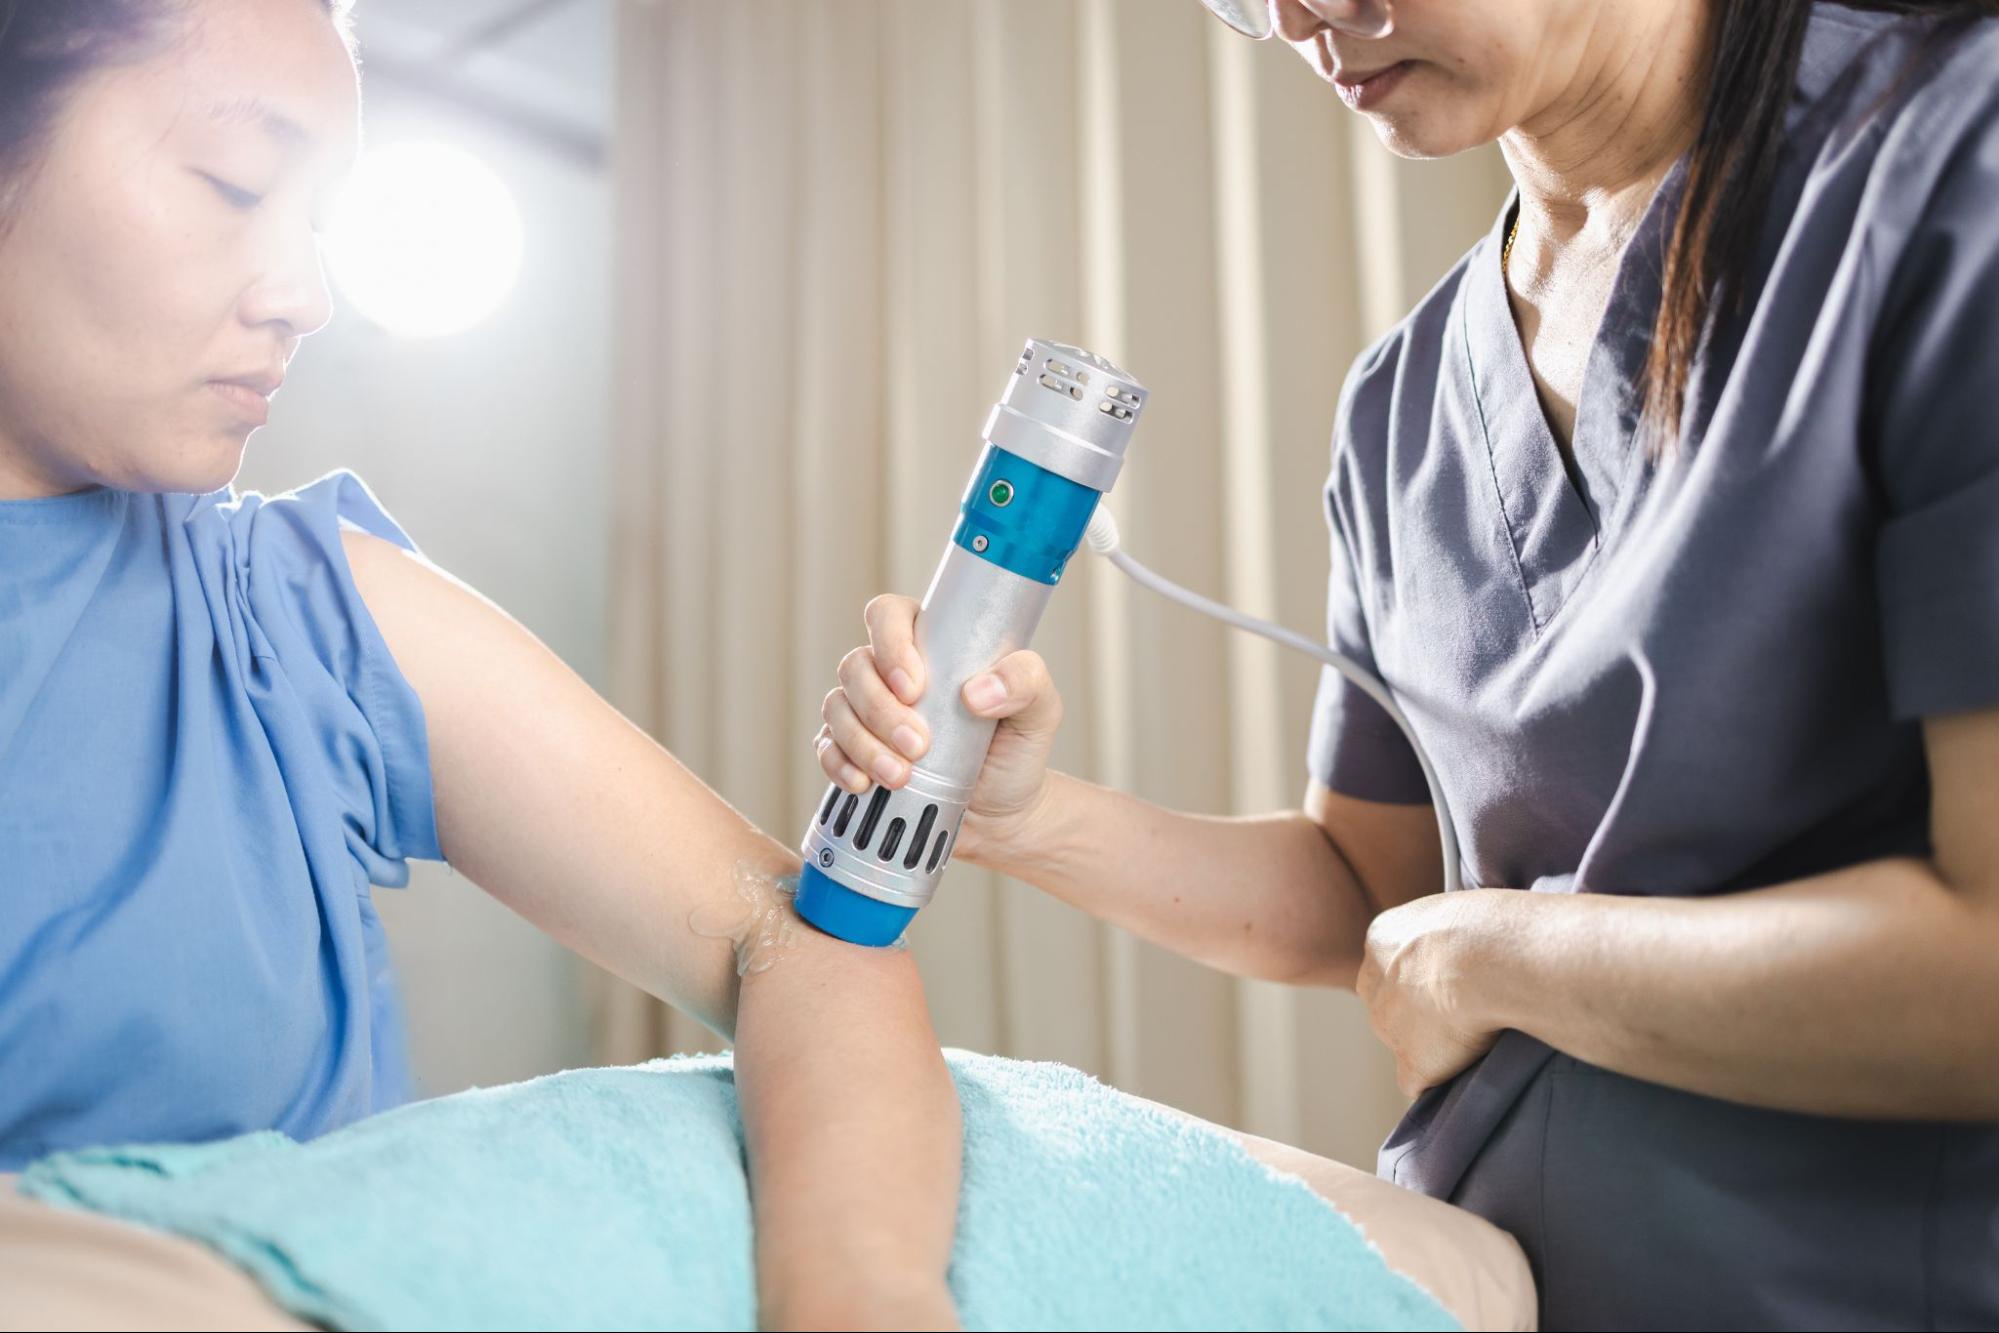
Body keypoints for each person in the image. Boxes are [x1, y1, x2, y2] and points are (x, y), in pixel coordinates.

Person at [819, 1, 1999, 1325]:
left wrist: (1499, 961)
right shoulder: (1406, 398)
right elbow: (1368, 890)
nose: (1300, 17)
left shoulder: (1950, 169)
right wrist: (1028, 817)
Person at [0, 3, 963, 1326]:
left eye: (317, 221)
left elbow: (794, 946)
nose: (305, 297)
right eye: (233, 184)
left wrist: (860, 1292)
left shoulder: (294, 613)